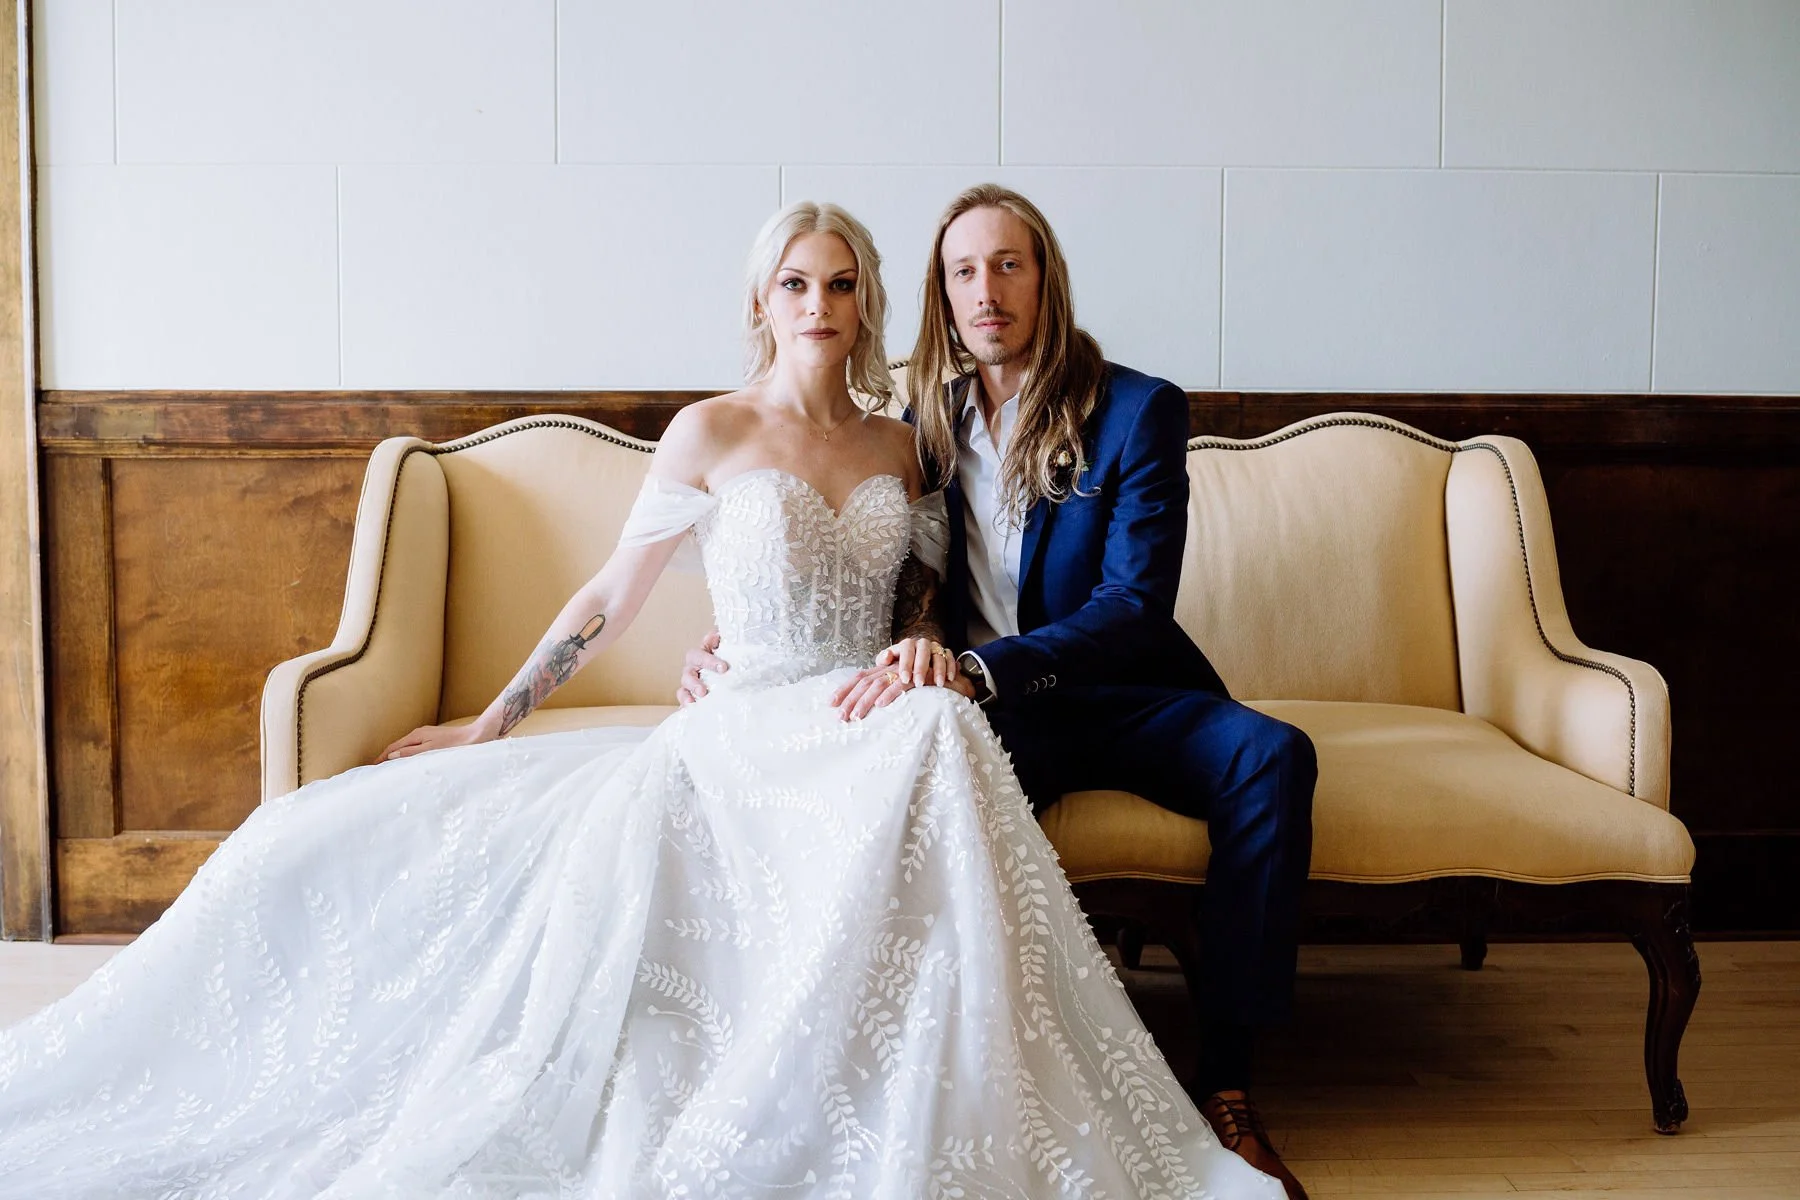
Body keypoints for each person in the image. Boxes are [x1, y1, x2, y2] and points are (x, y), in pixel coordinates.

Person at [0, 202, 1282, 1198]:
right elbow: (610, 596)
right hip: (744, 719)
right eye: (797, 283)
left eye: (842, 283)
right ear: (763, 301)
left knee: (938, 723)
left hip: (859, 708)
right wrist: (492, 718)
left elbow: (924, 607)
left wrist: (921, 654)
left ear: (872, 299)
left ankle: (949, 1077)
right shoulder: (707, 434)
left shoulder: (909, 446)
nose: (821, 304)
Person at [683, 186, 1318, 1199]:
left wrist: (986, 667)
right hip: (995, 713)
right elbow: (878, 572)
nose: (988, 290)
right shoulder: (920, 423)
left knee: (1275, 755)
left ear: (1045, 279)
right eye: (964, 271)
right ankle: (930, 1075)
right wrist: (734, 640)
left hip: (1125, 691)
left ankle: (1230, 1083)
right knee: (910, 790)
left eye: (1008, 265)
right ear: (942, 295)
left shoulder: (1138, 410)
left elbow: (1135, 605)